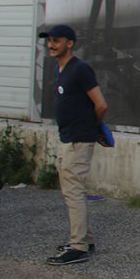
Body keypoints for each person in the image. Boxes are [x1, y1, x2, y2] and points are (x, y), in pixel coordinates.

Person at [40, 24, 108, 265]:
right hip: (68, 137)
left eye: (56, 40)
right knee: (71, 188)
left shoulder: (80, 69)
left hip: (79, 138)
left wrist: (94, 127)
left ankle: (78, 246)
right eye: (49, 40)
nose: (51, 44)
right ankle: (84, 241)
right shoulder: (62, 69)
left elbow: (100, 104)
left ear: (69, 43)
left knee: (73, 191)